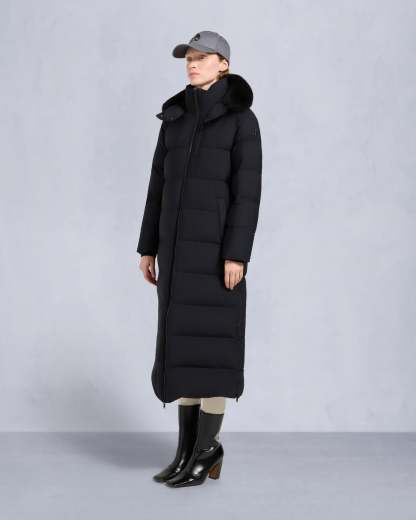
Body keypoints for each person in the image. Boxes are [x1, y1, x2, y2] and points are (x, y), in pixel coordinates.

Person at [137, 30, 262, 487]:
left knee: (212, 353)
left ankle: (208, 449)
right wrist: (148, 246)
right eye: (188, 58)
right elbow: (157, 187)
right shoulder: (174, 118)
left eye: (202, 58)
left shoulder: (241, 120)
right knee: (182, 353)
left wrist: (236, 255)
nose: (192, 64)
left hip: (215, 257)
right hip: (175, 254)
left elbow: (247, 194)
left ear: (223, 65)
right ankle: (187, 451)